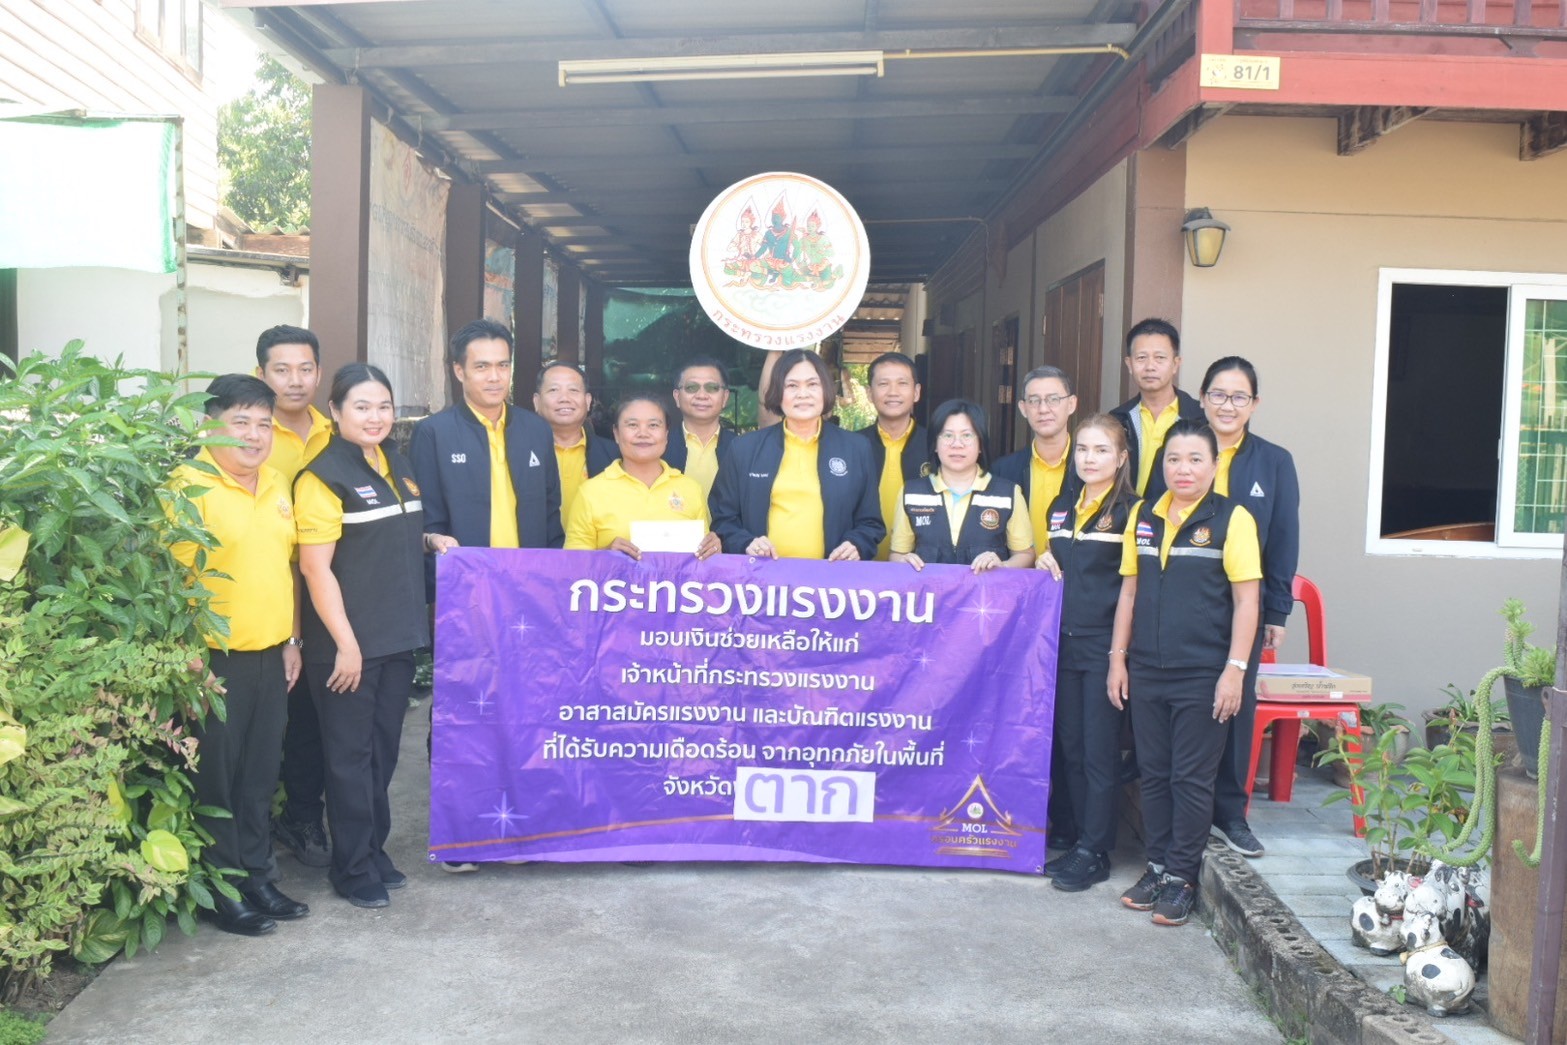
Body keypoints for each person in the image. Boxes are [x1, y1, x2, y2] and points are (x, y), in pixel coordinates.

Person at [296, 364, 457, 909]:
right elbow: (315, 568)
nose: (375, 416)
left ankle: (372, 849)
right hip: (347, 647)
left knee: (382, 754)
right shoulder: (322, 477)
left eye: (383, 406)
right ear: (335, 411)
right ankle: (351, 867)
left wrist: (431, 540)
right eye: (361, 406)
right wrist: (345, 644)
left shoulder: (395, 463)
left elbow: (394, 535)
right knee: (349, 758)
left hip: (395, 637)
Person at [169, 374, 309, 936]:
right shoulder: (185, 487)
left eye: (263, 424)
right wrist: (188, 659)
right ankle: (221, 890)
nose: (254, 435)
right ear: (209, 426)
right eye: (240, 422)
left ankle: (257, 876)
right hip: (211, 660)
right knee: (217, 780)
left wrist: (293, 641)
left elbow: (289, 569)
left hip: (271, 655)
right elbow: (167, 583)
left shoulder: (276, 482)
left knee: (259, 774)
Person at [1107, 419, 1261, 927]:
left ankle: (1182, 877)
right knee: (1153, 774)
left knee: (1191, 779)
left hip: (1203, 672)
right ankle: (1156, 867)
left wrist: (1235, 671)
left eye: (1196, 459)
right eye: (1174, 459)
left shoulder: (1233, 519)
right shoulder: (1144, 516)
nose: (1184, 469)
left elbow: (1247, 602)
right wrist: (1118, 659)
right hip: (1147, 669)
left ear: (1215, 465)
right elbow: (1129, 592)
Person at [1200, 357, 1301, 861]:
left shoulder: (1274, 461)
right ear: (1202, 399)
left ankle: (1230, 814)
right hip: (1185, 600)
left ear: (1254, 404)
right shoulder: (1182, 450)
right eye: (1218, 394)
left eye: (1239, 397)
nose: (1228, 405)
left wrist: (1277, 611)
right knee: (1190, 703)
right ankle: (1188, 811)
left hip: (1245, 603)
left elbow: (1283, 538)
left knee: (1236, 707)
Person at [1034, 414, 1138, 892]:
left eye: (1101, 450)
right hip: (1063, 643)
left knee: (1098, 752)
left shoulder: (1133, 513)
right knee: (1071, 749)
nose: (1089, 458)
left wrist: (1118, 657)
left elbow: (1133, 591)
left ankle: (1097, 851)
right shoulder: (1061, 507)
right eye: (1082, 449)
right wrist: (1042, 557)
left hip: (1103, 647)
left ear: (1121, 458)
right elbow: (1056, 565)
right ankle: (1078, 841)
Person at [254, 324, 334, 871]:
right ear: (261, 373)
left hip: (324, 591)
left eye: (305, 369)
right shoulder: (249, 434)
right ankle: (253, 828)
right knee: (263, 724)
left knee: (313, 715)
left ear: (319, 373)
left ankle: (302, 815)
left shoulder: (337, 429)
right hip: (267, 594)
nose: (295, 380)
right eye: (281, 370)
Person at [993, 364, 1082, 850]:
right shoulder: (1004, 471)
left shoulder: (1091, 463)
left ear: (1072, 405)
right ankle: (1015, 818)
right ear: (1023, 409)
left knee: (1067, 717)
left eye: (1054, 399)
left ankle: (1065, 826)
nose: (1044, 408)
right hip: (1017, 611)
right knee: (1015, 711)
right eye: (1035, 400)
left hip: (1078, 605)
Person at [710, 348, 884, 561]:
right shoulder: (744, 449)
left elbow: (870, 523)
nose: (803, 394)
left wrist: (857, 544)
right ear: (778, 392)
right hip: (761, 575)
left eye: (812, 384)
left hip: (832, 576)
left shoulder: (856, 448)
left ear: (826, 389)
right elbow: (723, 518)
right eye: (792, 386)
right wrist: (745, 543)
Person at [565, 394, 721, 561]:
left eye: (653, 425)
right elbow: (572, 565)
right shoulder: (590, 493)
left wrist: (712, 549)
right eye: (632, 425)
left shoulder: (690, 489)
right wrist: (606, 555)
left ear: (666, 434)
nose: (643, 433)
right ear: (616, 434)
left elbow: (703, 563)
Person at [889, 399, 1032, 573]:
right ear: (935, 444)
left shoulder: (1008, 494)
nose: (957, 444)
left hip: (985, 591)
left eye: (967, 435)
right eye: (948, 435)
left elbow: (1025, 554)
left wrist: (1003, 566)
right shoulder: (911, 493)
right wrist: (903, 561)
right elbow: (897, 554)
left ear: (980, 444)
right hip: (929, 590)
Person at [1108, 319, 1203, 500]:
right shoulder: (1117, 420)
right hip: (1127, 515)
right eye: (1141, 358)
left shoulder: (1200, 418)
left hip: (1182, 515)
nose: (1150, 366)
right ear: (1129, 364)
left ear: (1176, 364)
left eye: (1160, 358)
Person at [854, 351, 927, 561]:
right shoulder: (851, 446)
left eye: (902, 383)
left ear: (916, 392)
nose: (893, 392)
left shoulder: (936, 446)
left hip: (919, 568)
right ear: (869, 393)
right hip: (858, 565)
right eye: (883, 384)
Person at [533, 361, 617, 525]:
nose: (564, 398)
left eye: (573, 390)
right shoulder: (517, 453)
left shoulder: (615, 455)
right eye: (554, 390)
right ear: (537, 401)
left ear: (588, 401)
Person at [663, 357, 735, 500]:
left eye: (712, 388)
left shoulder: (741, 449)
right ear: (677, 397)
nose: (702, 395)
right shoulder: (659, 447)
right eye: (691, 387)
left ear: (725, 397)